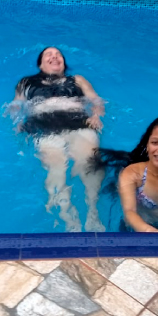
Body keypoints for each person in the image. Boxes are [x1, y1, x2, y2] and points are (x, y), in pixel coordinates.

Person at [11, 46, 105, 232]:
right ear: (40, 63)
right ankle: (67, 217)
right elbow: (16, 104)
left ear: (63, 62)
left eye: (58, 55)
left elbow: (96, 101)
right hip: (45, 129)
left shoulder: (77, 80)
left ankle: (93, 212)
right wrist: (17, 121)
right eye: (49, 55)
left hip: (79, 125)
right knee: (56, 168)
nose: (54, 57)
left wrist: (96, 116)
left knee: (90, 163)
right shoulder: (26, 82)